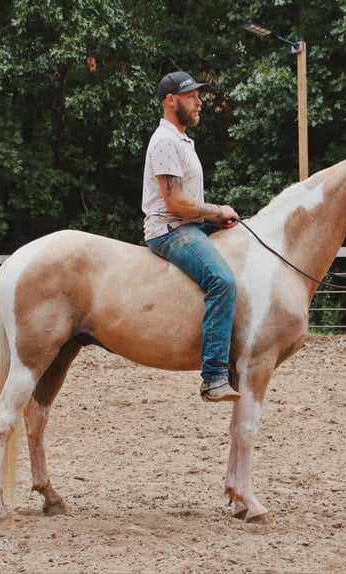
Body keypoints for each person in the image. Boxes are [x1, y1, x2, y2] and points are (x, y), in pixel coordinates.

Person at [142, 71, 241, 403]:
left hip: (188, 226)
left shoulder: (181, 140)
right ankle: (214, 376)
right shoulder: (166, 141)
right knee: (221, 280)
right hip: (170, 230)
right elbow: (174, 202)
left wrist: (211, 217)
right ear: (171, 101)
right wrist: (215, 211)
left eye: (198, 96)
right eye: (191, 96)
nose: (199, 102)